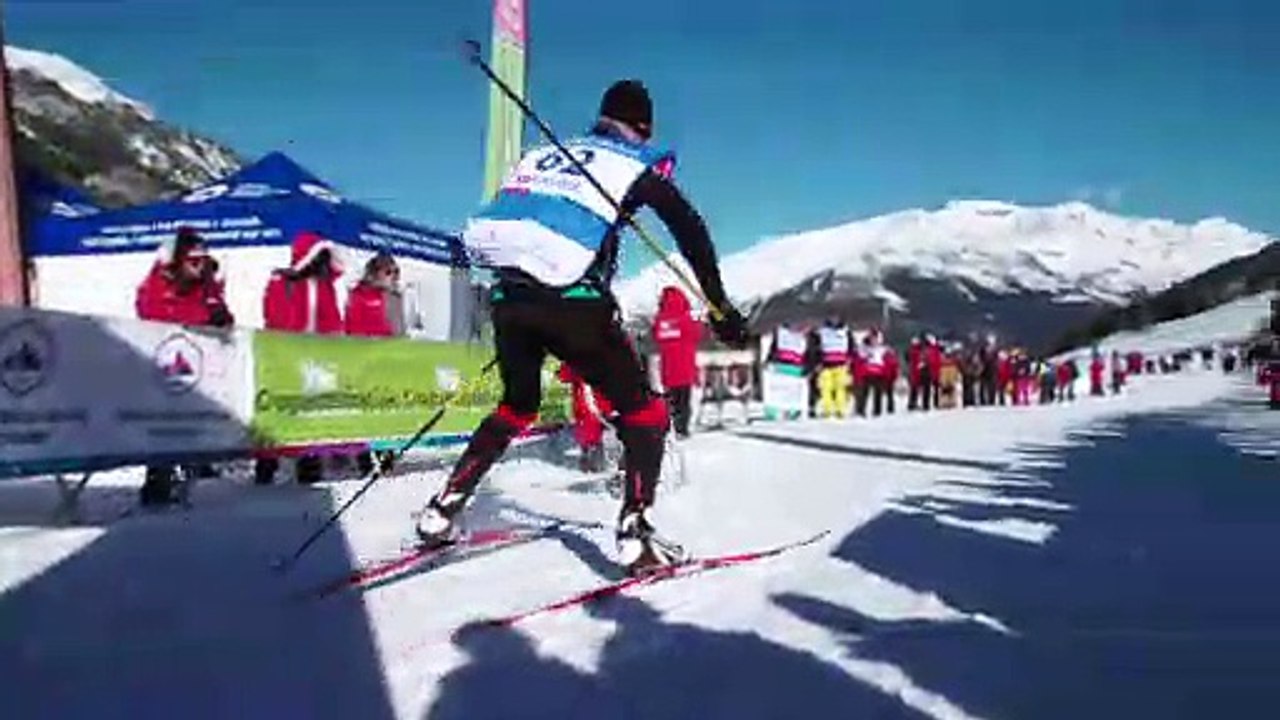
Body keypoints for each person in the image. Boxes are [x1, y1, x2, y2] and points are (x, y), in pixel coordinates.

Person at [413, 79, 748, 576]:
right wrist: (720, 308)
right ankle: (635, 534)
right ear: (642, 128)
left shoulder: (547, 154)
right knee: (646, 415)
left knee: (516, 405)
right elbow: (690, 229)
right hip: (574, 303)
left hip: (508, 298)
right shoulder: (632, 163)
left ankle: (441, 510)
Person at [134, 227, 234, 506]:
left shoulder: (207, 287)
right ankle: (158, 483)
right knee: (164, 429)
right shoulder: (156, 285)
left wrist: (221, 318)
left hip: (199, 370)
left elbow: (223, 319)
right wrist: (205, 317)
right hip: (167, 370)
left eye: (203, 261)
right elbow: (154, 314)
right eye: (193, 261)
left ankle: (195, 472)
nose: (200, 267)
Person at [257, 230, 345, 485]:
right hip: (285, 355)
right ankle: (266, 465)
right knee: (279, 413)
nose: (322, 264)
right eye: (318, 257)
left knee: (311, 414)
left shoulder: (324, 286)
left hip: (315, 359)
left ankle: (309, 466)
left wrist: (335, 347)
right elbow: (274, 316)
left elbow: (331, 320)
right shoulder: (281, 282)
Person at [651, 285, 702, 438]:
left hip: (668, 369)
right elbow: (698, 335)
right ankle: (682, 430)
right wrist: (697, 321)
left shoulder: (660, 321)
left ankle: (671, 427)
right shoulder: (686, 319)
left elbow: (656, 336)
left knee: (671, 401)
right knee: (684, 401)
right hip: (685, 368)